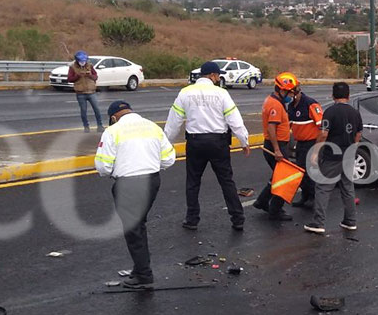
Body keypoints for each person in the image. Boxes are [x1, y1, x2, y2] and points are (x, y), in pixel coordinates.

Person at [95, 101, 176, 289]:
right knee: (139, 225)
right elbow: (169, 159)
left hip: (128, 184)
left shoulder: (112, 131)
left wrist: (113, 172)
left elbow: (103, 166)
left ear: (113, 117)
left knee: (133, 229)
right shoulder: (152, 127)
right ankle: (140, 268)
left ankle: (144, 275)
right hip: (152, 180)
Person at [164, 60, 250, 231]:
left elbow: (174, 122)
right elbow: (234, 119)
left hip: (195, 142)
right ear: (212, 75)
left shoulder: (185, 93)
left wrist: (166, 143)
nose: (218, 79)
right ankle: (237, 218)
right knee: (226, 181)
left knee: (193, 181)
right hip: (218, 142)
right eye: (218, 75)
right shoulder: (221, 94)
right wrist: (244, 141)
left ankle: (192, 219)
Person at [304, 82, 363, 234]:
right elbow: (358, 134)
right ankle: (350, 221)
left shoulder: (330, 112)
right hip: (349, 155)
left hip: (332, 157)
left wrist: (316, 152)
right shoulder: (355, 113)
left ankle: (318, 223)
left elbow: (323, 134)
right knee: (348, 188)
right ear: (348, 96)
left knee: (323, 188)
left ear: (333, 95)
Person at [254, 72, 299, 221]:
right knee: (285, 178)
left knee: (277, 177)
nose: (291, 96)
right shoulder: (275, 104)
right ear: (282, 90)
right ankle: (275, 210)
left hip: (277, 144)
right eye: (290, 92)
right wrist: (277, 150)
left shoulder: (274, 101)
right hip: (276, 145)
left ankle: (261, 201)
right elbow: (271, 128)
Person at [288, 83, 324, 208]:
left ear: (295, 93)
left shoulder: (310, 103)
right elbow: (290, 125)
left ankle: (313, 197)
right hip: (300, 143)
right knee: (300, 171)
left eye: (289, 94)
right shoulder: (291, 106)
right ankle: (305, 195)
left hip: (311, 142)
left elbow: (322, 125)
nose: (287, 96)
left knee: (309, 171)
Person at [67, 50, 104, 133]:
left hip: (91, 92)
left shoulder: (90, 66)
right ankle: (86, 127)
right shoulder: (72, 67)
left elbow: (95, 77)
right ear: (77, 60)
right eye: (81, 61)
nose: (83, 62)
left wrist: (89, 75)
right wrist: (77, 76)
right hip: (80, 93)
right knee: (83, 111)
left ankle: (100, 125)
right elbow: (69, 79)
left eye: (84, 61)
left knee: (97, 109)